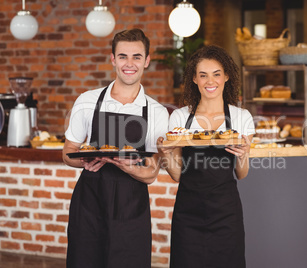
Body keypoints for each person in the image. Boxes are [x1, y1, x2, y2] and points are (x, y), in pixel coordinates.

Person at [62, 28, 169, 268]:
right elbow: (67, 152)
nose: (129, 64)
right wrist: (84, 160)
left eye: (137, 57)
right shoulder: (87, 101)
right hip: (89, 203)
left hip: (131, 208)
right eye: (122, 56)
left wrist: (128, 168)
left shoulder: (156, 112)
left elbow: (151, 173)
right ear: (113, 59)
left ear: (147, 61)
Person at [157, 45, 255, 268]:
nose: (210, 81)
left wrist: (243, 155)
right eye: (203, 75)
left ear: (227, 76)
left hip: (226, 212)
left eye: (216, 74)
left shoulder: (241, 117)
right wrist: (166, 153)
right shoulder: (181, 118)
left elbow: (242, 174)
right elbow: (177, 175)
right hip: (188, 211)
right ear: (194, 79)